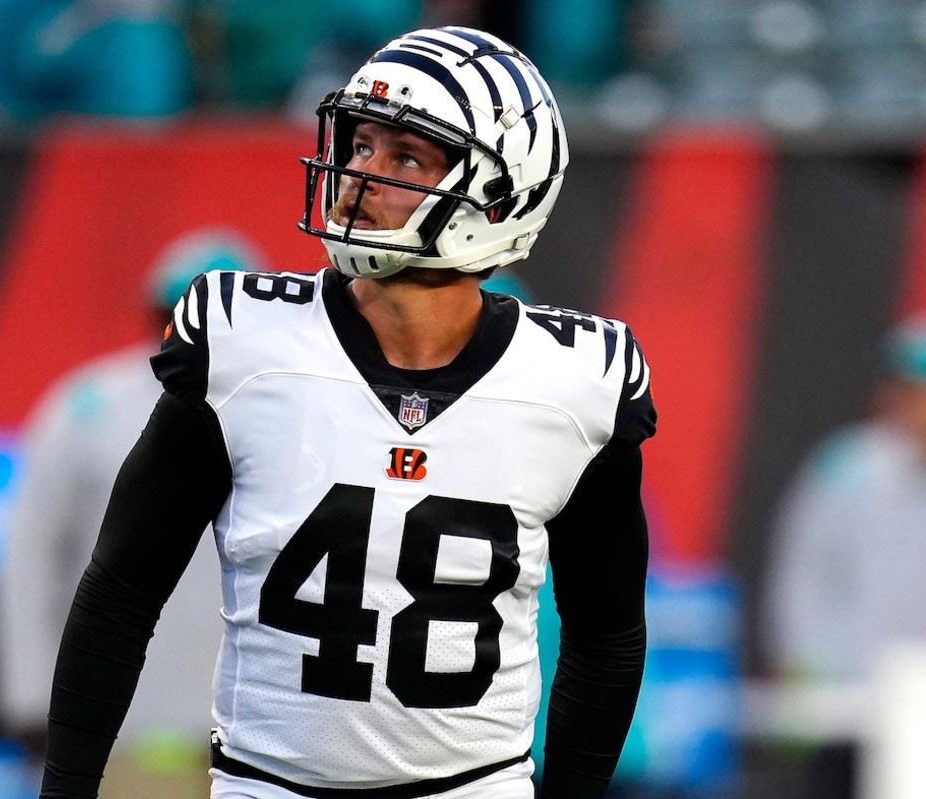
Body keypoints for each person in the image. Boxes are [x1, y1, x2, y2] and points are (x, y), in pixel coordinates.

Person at [40, 26, 657, 799]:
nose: (359, 173)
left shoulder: (572, 382)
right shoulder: (245, 346)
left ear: (500, 194)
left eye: (404, 156)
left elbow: (606, 635)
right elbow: (122, 589)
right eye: (360, 144)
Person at [0, 228, 266, 759]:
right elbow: (29, 555)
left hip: (255, 735)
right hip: (116, 727)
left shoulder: (291, 415)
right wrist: (29, 697)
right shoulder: (87, 411)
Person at [762, 313, 926, 799]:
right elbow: (801, 578)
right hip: (851, 699)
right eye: (908, 389)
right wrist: (809, 667)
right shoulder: (847, 468)